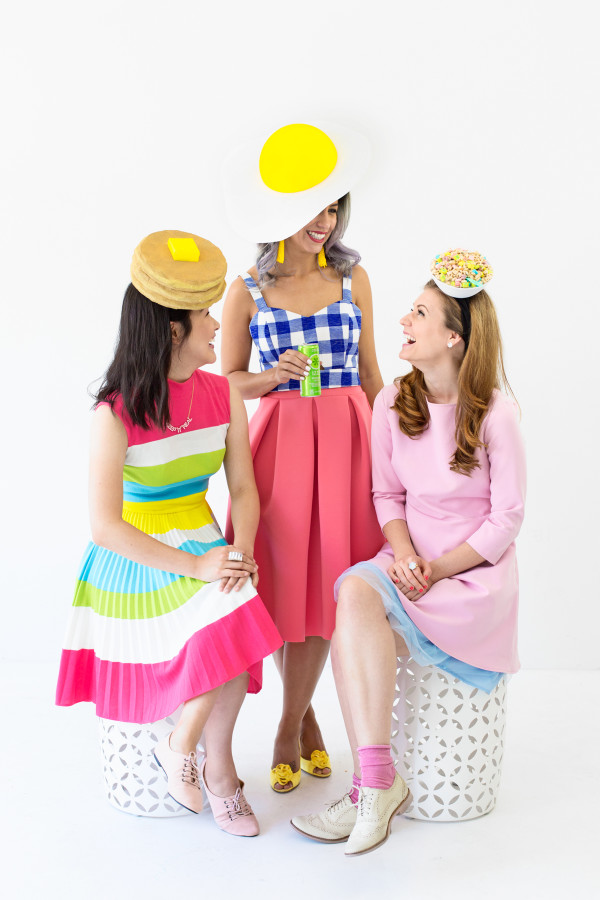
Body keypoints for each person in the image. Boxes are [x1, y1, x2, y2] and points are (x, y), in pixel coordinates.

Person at [291, 250, 526, 855]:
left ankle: (370, 786)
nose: (404, 321)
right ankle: (376, 784)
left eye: (419, 313)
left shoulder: (496, 412)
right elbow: (386, 494)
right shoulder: (393, 400)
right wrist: (402, 556)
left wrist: (438, 567)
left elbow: (508, 519)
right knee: (354, 591)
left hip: (472, 574)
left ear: (453, 337)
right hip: (409, 561)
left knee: (352, 623)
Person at [56, 230, 282, 837]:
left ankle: (199, 755)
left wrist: (241, 553)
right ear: (172, 329)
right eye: (204, 314)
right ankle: (212, 769)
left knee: (238, 599)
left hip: (203, 538)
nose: (216, 324)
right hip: (138, 555)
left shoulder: (221, 394)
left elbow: (243, 490)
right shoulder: (115, 411)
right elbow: (105, 527)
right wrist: (206, 568)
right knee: (229, 608)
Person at [221, 122, 384, 792]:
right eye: (314, 207)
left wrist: (397, 453)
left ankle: (290, 725)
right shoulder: (245, 289)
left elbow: (371, 374)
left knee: (335, 588)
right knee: (290, 588)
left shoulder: (353, 278)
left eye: (333, 207)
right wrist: (271, 376)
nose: (325, 221)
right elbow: (223, 382)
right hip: (282, 445)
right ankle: (300, 719)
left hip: (348, 438)